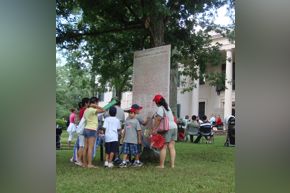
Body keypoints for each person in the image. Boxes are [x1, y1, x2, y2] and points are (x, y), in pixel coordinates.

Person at [152, 94, 177, 169]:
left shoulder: (160, 108)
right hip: (174, 127)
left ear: (157, 102)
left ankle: (161, 165)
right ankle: (172, 165)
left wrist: (154, 129)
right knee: (172, 146)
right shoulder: (168, 107)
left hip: (167, 128)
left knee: (163, 147)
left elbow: (158, 119)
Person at [82, 97, 105, 168]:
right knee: (90, 148)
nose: (98, 104)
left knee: (85, 147)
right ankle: (89, 164)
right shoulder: (93, 110)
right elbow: (103, 110)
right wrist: (95, 106)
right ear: (95, 102)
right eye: (97, 103)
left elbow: (85, 118)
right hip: (92, 129)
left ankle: (84, 164)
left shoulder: (86, 110)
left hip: (86, 129)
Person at [73, 97, 90, 166]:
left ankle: (79, 160)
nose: (89, 104)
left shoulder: (81, 110)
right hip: (83, 129)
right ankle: (80, 160)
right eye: (89, 103)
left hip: (80, 129)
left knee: (81, 145)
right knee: (82, 146)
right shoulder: (86, 110)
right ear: (86, 103)